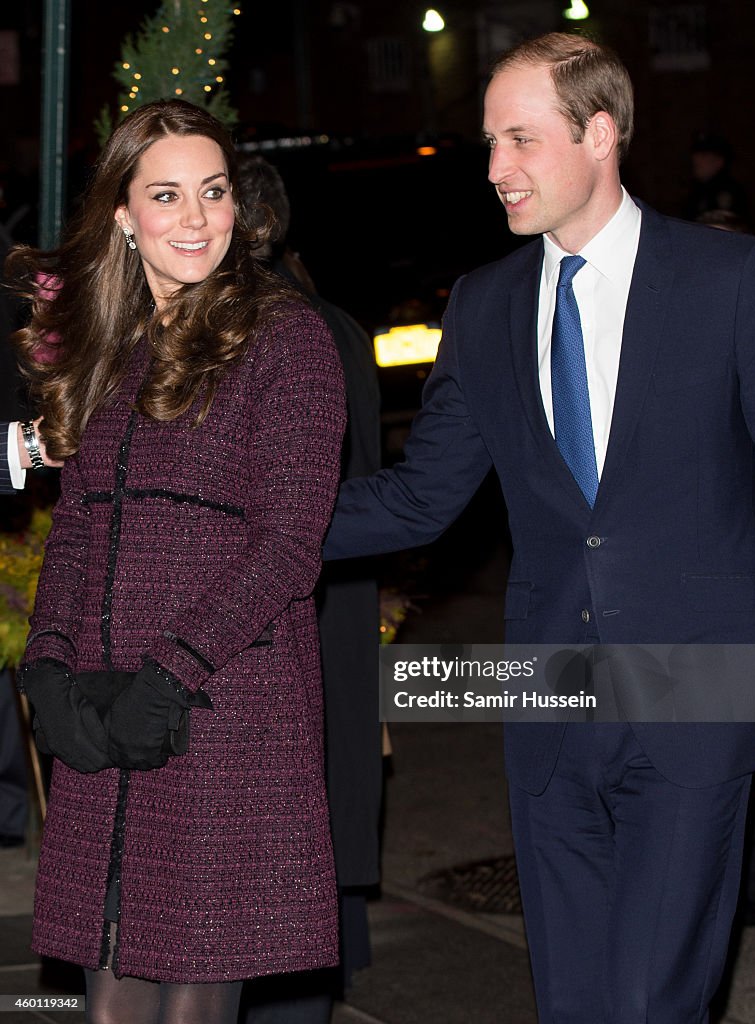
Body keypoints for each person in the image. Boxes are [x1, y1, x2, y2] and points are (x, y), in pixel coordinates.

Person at [323, 32, 755, 1023]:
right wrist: (240, 516)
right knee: (574, 1003)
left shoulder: (731, 278)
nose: (494, 169)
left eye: (519, 140)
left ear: (599, 134)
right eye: (488, 142)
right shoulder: (484, 305)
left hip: (699, 695)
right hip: (547, 703)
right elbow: (418, 497)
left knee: (646, 1000)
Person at [8, 99, 346, 1024]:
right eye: (167, 195)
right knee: (111, 1008)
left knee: (193, 1008)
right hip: (103, 709)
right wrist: (47, 664)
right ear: (123, 214)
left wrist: (171, 673)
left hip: (223, 709)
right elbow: (77, 526)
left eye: (214, 191)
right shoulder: (105, 350)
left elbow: (286, 545)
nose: (196, 218)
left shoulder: (287, 340)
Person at [236, 157, 382, 1023]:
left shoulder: (276, 334)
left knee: (285, 823)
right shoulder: (333, 323)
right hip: (332, 589)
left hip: (289, 595)